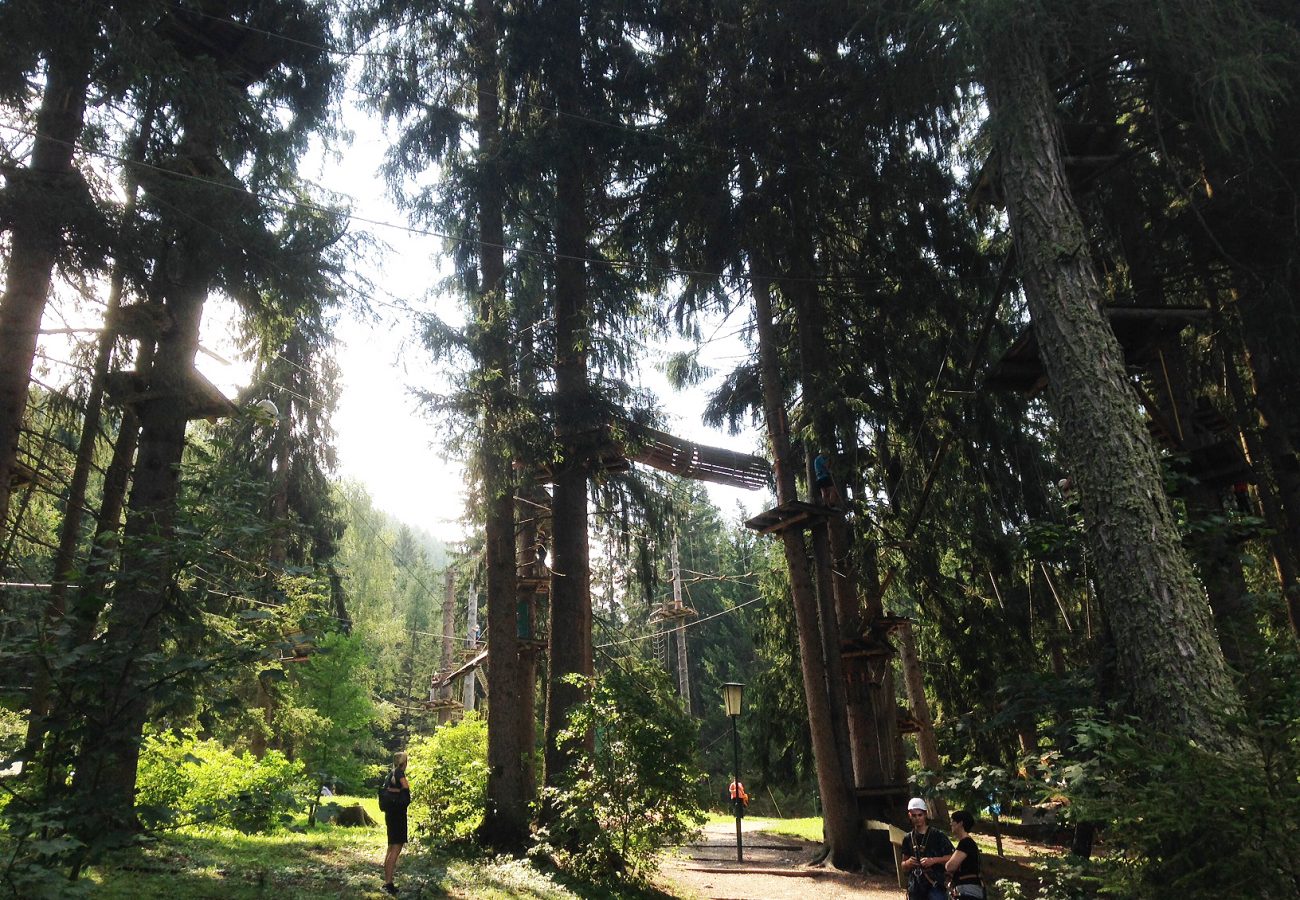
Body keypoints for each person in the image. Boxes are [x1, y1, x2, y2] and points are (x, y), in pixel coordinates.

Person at [900, 797, 952, 900]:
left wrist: (933, 861)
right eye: (914, 815)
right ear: (909, 815)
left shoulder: (938, 835)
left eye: (920, 815)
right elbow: (903, 865)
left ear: (925, 814)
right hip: (915, 888)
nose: (917, 818)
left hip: (935, 885)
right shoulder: (908, 838)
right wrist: (908, 863)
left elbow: (951, 857)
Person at [381, 751, 411, 895]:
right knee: (396, 847)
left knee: (391, 846)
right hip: (398, 815)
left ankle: (387, 880)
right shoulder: (399, 773)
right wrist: (401, 791)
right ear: (404, 762)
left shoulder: (389, 774)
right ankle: (389, 883)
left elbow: (388, 790)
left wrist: (394, 789)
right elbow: (406, 788)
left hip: (390, 814)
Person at [945, 810, 985, 898]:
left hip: (968, 890)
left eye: (952, 821)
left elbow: (950, 866)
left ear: (960, 823)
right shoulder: (968, 843)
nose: (950, 824)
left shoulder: (966, 843)